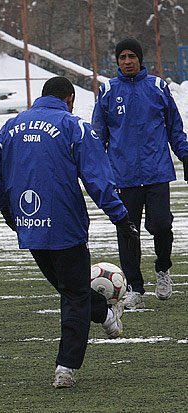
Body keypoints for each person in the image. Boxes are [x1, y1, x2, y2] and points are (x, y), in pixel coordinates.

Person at [0, 77, 138, 389]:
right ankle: (66, 367)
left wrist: (9, 210)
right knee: (75, 294)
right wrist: (119, 216)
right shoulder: (73, 126)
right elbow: (96, 176)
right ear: (70, 98)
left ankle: (103, 314)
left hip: (30, 225)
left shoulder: (11, 126)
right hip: (65, 226)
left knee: (70, 289)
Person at [92, 38, 188, 309]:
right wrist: (96, 169)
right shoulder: (108, 90)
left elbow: (174, 128)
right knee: (127, 232)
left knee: (161, 225)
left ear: (140, 58)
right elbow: (99, 135)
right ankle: (134, 287)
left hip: (157, 172)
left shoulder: (158, 87)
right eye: (122, 57)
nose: (127, 61)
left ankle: (163, 269)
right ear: (117, 61)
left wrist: (185, 154)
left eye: (131, 56)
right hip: (123, 176)